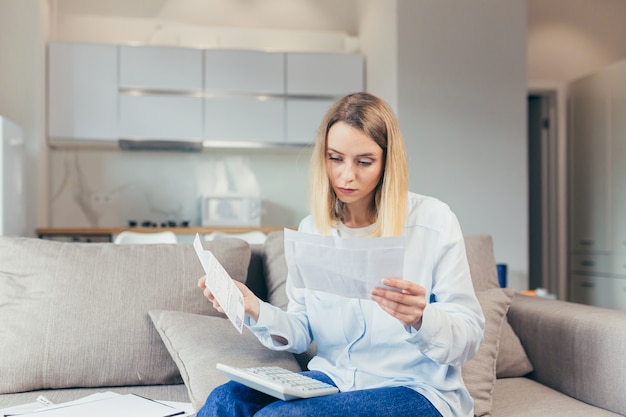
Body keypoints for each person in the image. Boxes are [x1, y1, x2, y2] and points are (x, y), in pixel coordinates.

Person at [197, 92, 485, 417]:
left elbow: (469, 337)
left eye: (364, 162)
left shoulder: (434, 221)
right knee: (225, 399)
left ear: (388, 162)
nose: (347, 176)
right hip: (335, 382)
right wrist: (252, 307)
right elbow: (302, 330)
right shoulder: (313, 229)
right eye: (335, 159)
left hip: (414, 389)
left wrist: (421, 319)